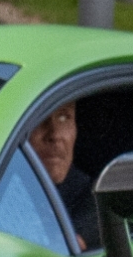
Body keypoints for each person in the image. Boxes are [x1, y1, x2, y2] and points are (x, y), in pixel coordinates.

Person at [29, 100, 98, 249]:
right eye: (39, 118)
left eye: (64, 117)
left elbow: (67, 248)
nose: (54, 134)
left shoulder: (95, 198)